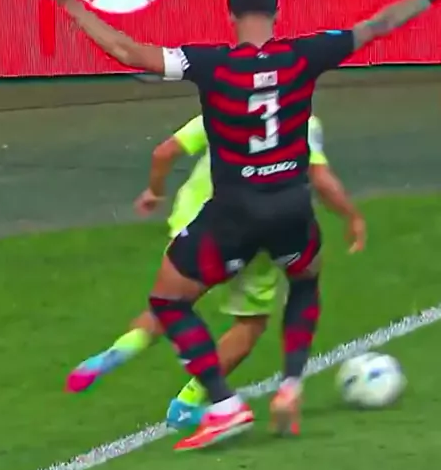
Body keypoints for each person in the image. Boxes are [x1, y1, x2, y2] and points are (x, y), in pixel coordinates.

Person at [44, 0, 440, 450]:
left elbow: (128, 51)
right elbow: (380, 24)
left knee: (169, 302)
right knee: (304, 282)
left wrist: (70, 4)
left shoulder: (211, 64)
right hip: (293, 208)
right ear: (277, 13)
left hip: (234, 214)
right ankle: (290, 385)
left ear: (230, 15)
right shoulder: (305, 55)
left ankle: (224, 405)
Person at [66, 114, 365, 433]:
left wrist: (154, 191)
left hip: (195, 219)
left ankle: (121, 349)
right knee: (250, 322)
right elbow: (319, 177)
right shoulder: (302, 120)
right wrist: (352, 217)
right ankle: (190, 400)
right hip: (261, 225)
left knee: (170, 304)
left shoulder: (223, 104)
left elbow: (165, 152)